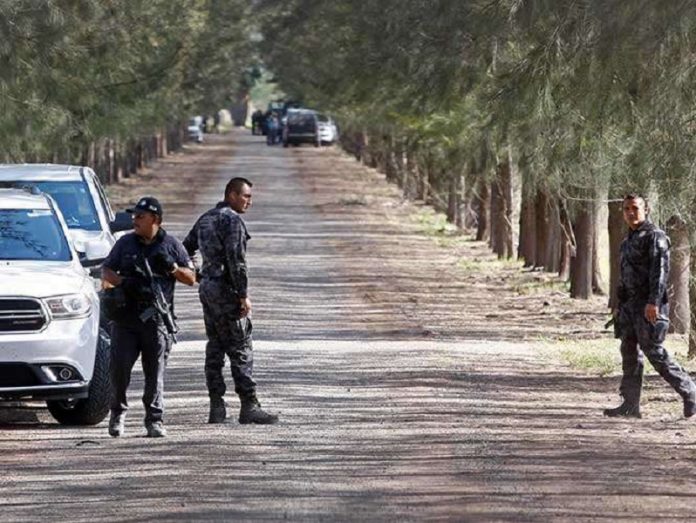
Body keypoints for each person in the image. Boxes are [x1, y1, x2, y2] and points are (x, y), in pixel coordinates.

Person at [183, 177, 278, 425]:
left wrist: (200, 275)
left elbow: (184, 250)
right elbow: (237, 262)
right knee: (241, 346)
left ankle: (216, 406)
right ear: (231, 195)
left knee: (215, 346)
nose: (249, 202)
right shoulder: (232, 221)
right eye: (245, 196)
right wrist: (243, 295)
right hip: (227, 291)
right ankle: (249, 405)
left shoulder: (206, 219)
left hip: (208, 290)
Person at [102, 196, 196, 437]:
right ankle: (117, 413)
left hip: (156, 321)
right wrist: (124, 282)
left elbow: (191, 278)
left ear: (155, 219)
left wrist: (172, 268)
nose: (135, 220)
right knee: (119, 370)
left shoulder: (171, 245)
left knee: (155, 373)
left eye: (140, 217)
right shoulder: (125, 243)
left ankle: (154, 419)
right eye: (134, 216)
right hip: (126, 320)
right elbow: (107, 270)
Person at [604, 193, 696, 419]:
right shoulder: (627, 241)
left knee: (655, 352)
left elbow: (660, 272)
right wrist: (618, 305)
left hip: (649, 306)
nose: (630, 212)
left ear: (646, 210)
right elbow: (624, 276)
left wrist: (653, 302)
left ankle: (690, 391)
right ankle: (630, 405)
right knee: (629, 354)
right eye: (626, 209)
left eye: (635, 208)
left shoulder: (655, 237)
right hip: (629, 308)